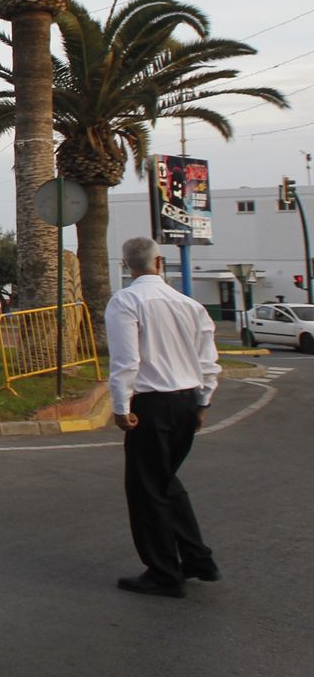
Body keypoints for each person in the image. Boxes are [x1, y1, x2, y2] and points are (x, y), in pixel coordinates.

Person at [106, 237, 221, 598]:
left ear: (127, 267)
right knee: (165, 480)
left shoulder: (126, 301)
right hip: (187, 400)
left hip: (151, 403)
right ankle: (197, 559)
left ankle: (163, 572)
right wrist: (202, 403)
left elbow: (126, 361)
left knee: (146, 489)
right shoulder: (190, 305)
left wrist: (121, 407)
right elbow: (207, 361)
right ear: (160, 263)